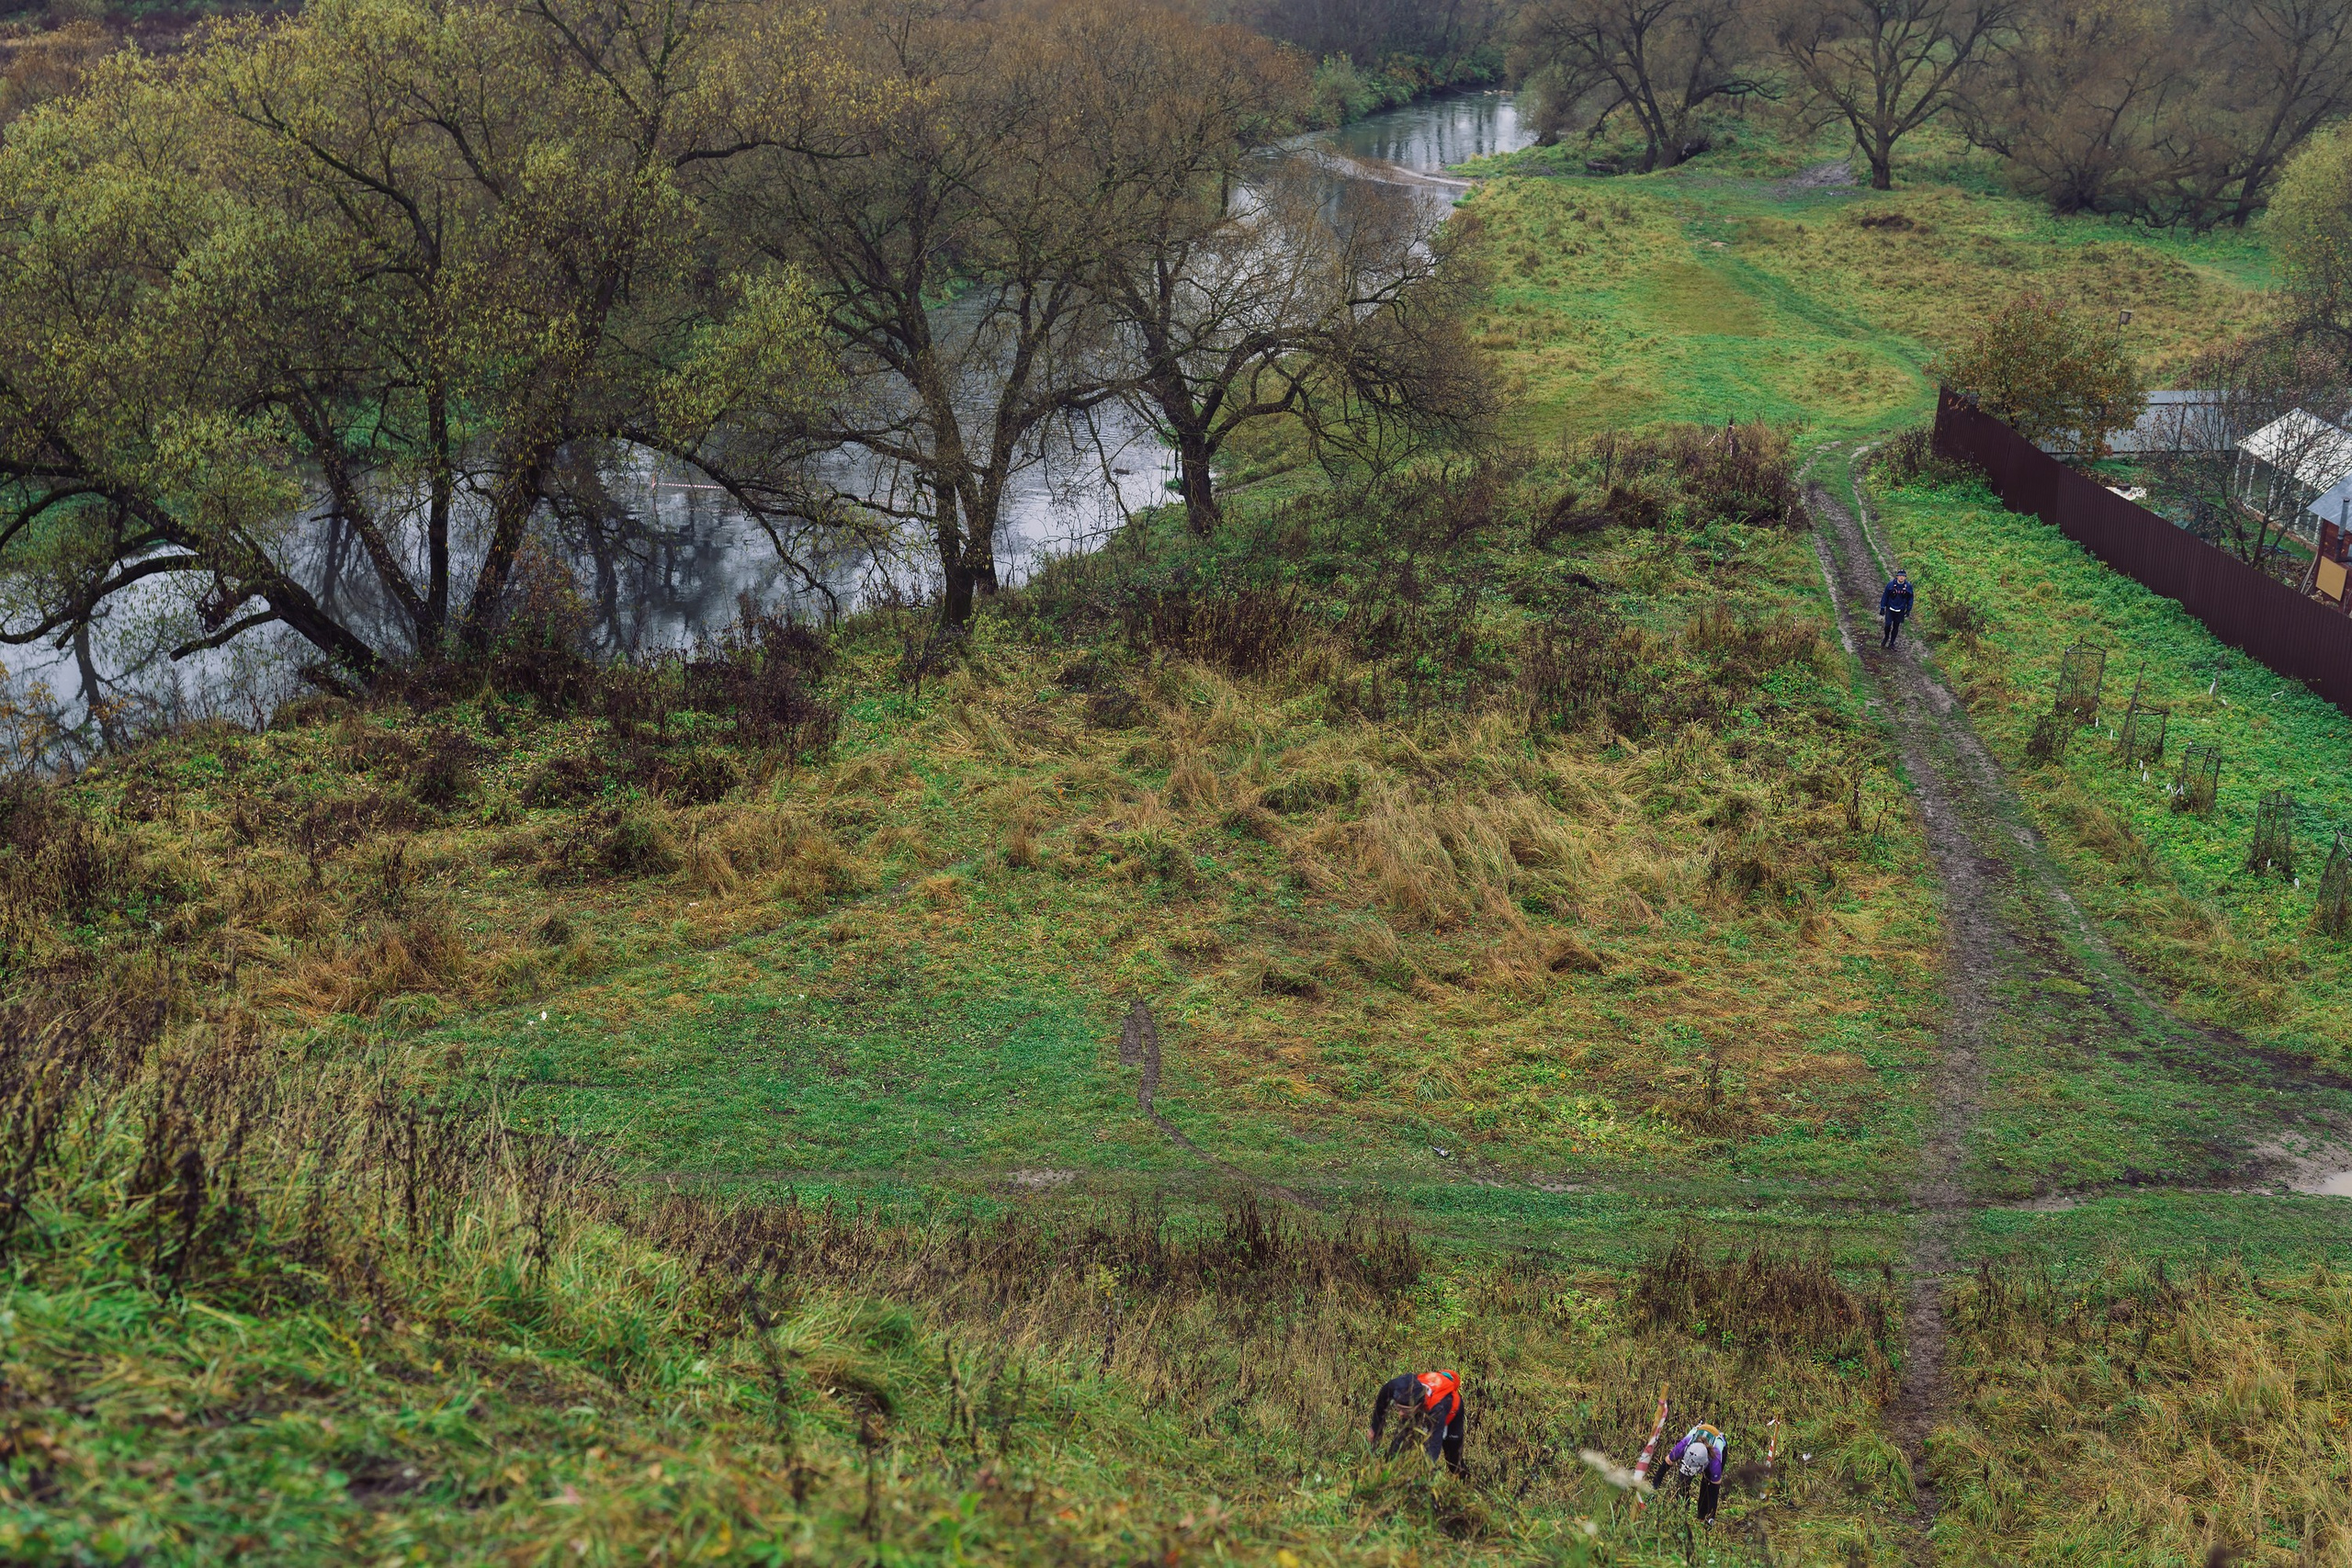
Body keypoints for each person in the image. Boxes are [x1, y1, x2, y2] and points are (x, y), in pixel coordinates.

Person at [1366, 1369, 1466, 1476]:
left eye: (1405, 1410)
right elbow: (1384, 1394)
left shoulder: (1438, 1409)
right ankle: (1388, 1478)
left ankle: (1467, 1480)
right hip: (1419, 1408)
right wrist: (1376, 1428)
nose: (1400, 1413)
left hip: (1451, 1415)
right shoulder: (1399, 1386)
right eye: (1398, 1408)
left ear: (1418, 1405)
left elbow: (1434, 1444)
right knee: (1396, 1449)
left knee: (1454, 1463)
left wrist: (1425, 1472)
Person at [1667, 1422, 1728, 1523]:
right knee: (1683, 1482)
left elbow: (1714, 1490)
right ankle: (1682, 1514)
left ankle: (1702, 1517)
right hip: (1693, 1449)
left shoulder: (1715, 1458)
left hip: (1715, 1448)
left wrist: (1711, 1518)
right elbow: (1667, 1461)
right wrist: (1654, 1487)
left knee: (1707, 1484)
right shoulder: (1684, 1445)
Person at [1880, 570, 1915, 649]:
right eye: (1900, 575)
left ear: (1905, 577)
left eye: (1903, 576)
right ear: (1897, 576)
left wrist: (1908, 609)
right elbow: (1885, 596)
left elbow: (1911, 598)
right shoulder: (1890, 585)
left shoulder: (1908, 586)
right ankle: (1886, 637)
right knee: (1888, 625)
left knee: (1896, 626)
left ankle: (1892, 643)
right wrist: (1882, 607)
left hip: (1900, 609)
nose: (1901, 577)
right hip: (1890, 608)